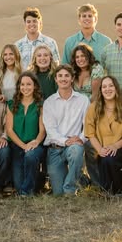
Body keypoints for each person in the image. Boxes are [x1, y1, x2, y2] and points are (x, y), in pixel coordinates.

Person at [42, 65, 90, 196]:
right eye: (60, 76)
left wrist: (80, 139)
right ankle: (82, 179)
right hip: (55, 149)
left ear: (72, 78)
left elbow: (87, 126)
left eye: (67, 76)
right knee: (58, 193)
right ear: (56, 80)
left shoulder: (83, 100)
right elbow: (51, 130)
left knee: (76, 150)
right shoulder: (49, 102)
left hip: (74, 145)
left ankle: (70, 188)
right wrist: (66, 141)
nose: (63, 79)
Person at [84, 76, 122, 195]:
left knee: (110, 158)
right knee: (105, 158)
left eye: (111, 85)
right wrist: (100, 149)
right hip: (102, 148)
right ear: (100, 90)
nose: (108, 89)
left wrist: (115, 146)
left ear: (116, 88)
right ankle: (109, 191)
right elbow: (90, 134)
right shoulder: (93, 107)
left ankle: (119, 191)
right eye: (104, 86)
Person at [5, 72, 46, 196]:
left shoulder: (40, 105)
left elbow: (42, 130)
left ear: (35, 86)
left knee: (30, 156)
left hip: (35, 145)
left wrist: (35, 142)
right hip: (17, 146)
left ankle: (26, 193)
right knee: (18, 183)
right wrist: (23, 146)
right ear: (19, 86)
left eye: (29, 84)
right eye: (22, 84)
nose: (25, 87)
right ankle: (28, 188)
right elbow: (9, 130)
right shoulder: (12, 104)